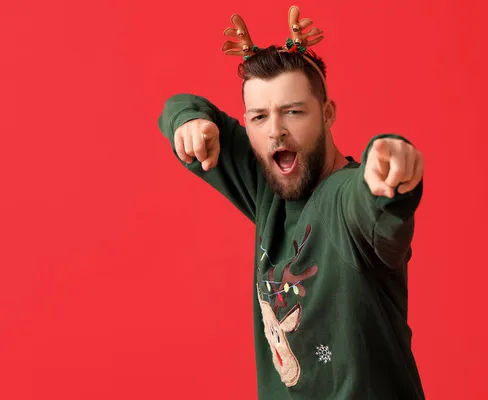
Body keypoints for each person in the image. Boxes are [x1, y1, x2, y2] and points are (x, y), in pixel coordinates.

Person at [158, 6, 426, 399]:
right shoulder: (268, 189)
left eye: (293, 112)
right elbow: (178, 105)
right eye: (259, 117)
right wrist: (189, 121)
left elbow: (375, 207)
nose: (275, 132)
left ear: (327, 113)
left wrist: (388, 172)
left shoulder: (344, 202)